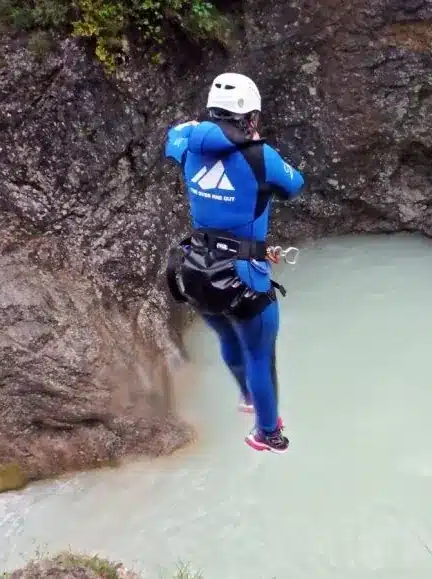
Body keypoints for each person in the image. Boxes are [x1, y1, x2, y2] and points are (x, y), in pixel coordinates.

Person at [162, 72, 305, 454]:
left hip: (195, 269)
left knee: (227, 336)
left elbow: (172, 140)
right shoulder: (261, 157)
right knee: (260, 354)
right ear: (250, 117)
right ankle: (267, 433)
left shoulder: (189, 146)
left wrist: (191, 129)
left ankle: (246, 397)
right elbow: (295, 184)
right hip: (242, 275)